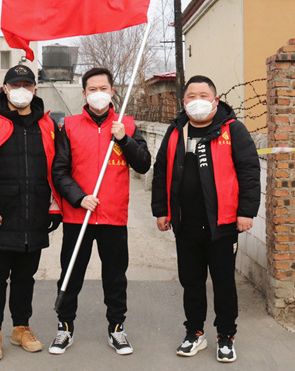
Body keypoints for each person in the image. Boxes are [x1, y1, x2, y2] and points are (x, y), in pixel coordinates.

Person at [151, 75, 260, 363]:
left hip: (222, 225)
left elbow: (249, 172)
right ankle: (194, 333)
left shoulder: (232, 130)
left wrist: (246, 212)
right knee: (191, 283)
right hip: (185, 224)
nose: (197, 101)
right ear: (183, 101)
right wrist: (161, 211)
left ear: (215, 99)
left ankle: (226, 336)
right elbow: (161, 171)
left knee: (224, 283)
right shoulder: (176, 132)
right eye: (191, 96)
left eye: (203, 95)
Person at [0, 64, 62, 361]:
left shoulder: (47, 125)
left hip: (34, 217)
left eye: (26, 84)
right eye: (15, 84)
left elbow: (56, 168)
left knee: (25, 278)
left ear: (35, 89)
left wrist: (53, 206)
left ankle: (21, 328)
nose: (21, 90)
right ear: (4, 89)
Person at [49, 67, 151, 356]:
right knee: (71, 274)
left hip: (113, 217)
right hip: (78, 216)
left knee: (115, 276)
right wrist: (79, 198)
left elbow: (144, 163)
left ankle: (117, 328)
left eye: (103, 88)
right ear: (84, 94)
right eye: (92, 89)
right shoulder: (69, 126)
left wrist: (124, 140)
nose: (98, 94)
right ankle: (64, 327)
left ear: (112, 91)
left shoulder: (126, 124)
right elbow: (59, 171)